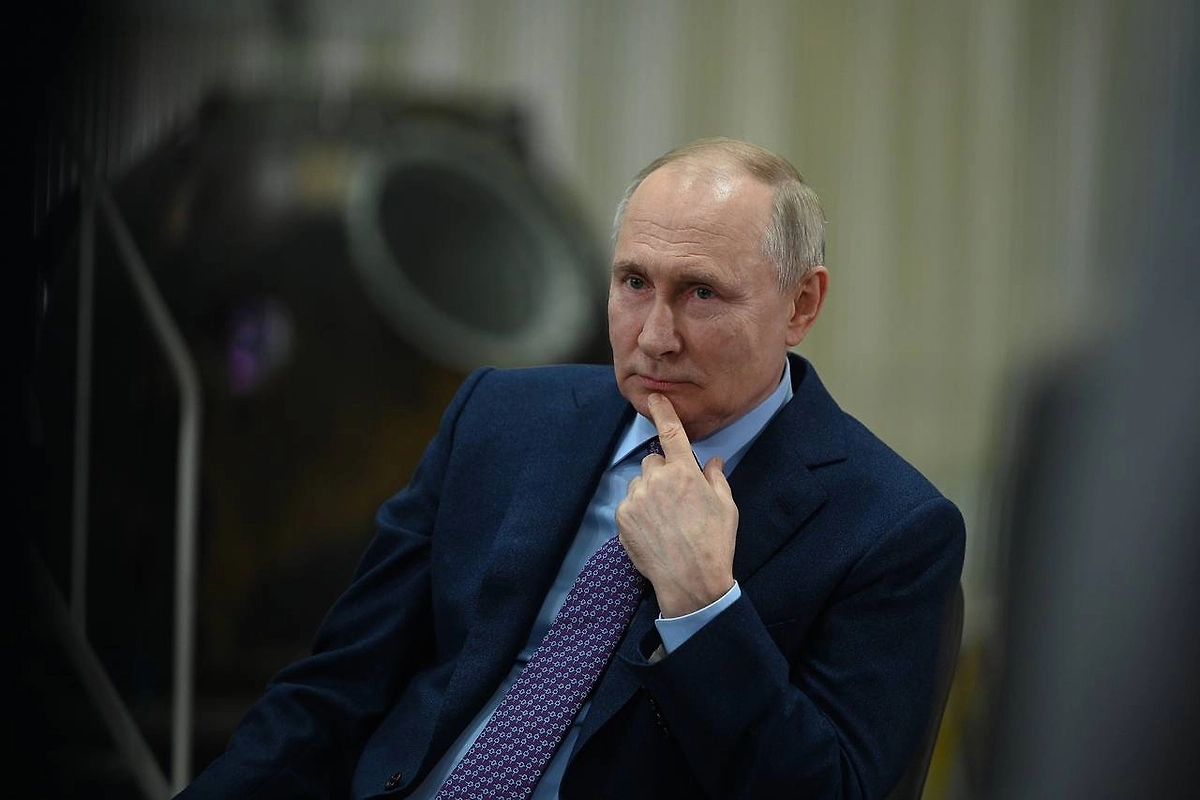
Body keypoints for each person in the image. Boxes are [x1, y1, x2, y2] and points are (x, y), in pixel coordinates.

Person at [178, 137, 965, 799]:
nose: (654, 337)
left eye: (701, 293)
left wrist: (703, 609)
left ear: (800, 305)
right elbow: (336, 688)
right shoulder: (500, 417)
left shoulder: (891, 529)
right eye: (634, 284)